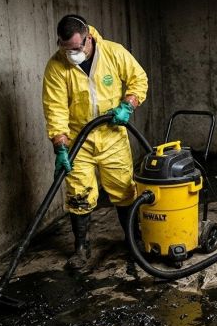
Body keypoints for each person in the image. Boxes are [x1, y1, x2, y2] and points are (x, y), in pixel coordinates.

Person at [42, 15, 148, 269]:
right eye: (65, 48)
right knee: (79, 194)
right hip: (80, 140)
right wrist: (60, 147)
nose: (71, 54)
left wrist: (128, 106)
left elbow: (138, 79)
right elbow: (55, 109)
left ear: (88, 37)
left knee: (124, 190)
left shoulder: (113, 53)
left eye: (76, 49)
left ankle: (133, 241)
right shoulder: (57, 67)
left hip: (112, 136)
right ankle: (81, 249)